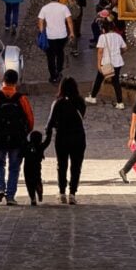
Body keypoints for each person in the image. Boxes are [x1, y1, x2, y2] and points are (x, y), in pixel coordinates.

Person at [0, 69, 34, 206]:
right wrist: (26, 133)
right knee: (14, 167)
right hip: (17, 138)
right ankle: (10, 196)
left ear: (3, 80)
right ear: (16, 82)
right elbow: (30, 119)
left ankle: (0, 188)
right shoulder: (21, 98)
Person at [44, 76, 86, 204]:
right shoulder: (80, 102)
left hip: (62, 137)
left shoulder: (58, 103)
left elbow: (49, 124)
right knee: (76, 166)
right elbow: (82, 116)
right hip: (78, 137)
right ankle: (72, 193)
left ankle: (62, 193)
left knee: (62, 165)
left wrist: (46, 138)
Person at [85, 21, 126, 108]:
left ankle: (93, 97)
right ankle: (120, 102)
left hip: (106, 62)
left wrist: (99, 64)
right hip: (117, 62)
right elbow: (124, 48)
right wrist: (119, 53)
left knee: (99, 79)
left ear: (103, 29)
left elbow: (100, 51)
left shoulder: (102, 37)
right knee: (116, 82)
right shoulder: (118, 36)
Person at [38, 0, 75, 84]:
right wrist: (71, 32)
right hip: (62, 35)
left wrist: (42, 32)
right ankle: (59, 70)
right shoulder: (63, 8)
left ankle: (53, 75)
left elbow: (41, 21)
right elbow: (69, 21)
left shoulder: (44, 8)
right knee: (60, 53)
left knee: (50, 56)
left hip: (50, 36)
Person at [23, 130, 46, 206]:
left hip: (27, 167)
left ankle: (33, 198)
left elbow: (23, 139)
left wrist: (25, 131)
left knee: (29, 183)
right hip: (37, 167)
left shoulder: (27, 145)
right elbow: (47, 142)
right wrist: (49, 133)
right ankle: (39, 188)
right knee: (37, 179)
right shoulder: (41, 146)